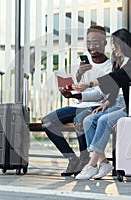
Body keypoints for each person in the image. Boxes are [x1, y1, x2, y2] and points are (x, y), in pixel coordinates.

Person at [73, 28, 131, 180]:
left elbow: (116, 78)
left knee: (104, 120)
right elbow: (116, 85)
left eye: (115, 44)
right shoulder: (121, 62)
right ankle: (104, 162)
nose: (113, 47)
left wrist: (89, 83)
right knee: (88, 120)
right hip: (118, 104)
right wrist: (107, 103)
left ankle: (92, 164)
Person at [41, 25, 112, 176]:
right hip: (79, 104)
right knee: (47, 121)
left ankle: (84, 159)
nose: (92, 46)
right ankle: (72, 159)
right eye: (89, 42)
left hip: (96, 106)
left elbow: (99, 95)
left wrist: (77, 95)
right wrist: (76, 79)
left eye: (96, 42)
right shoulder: (83, 64)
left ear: (105, 43)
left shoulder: (109, 67)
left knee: (80, 120)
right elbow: (78, 87)